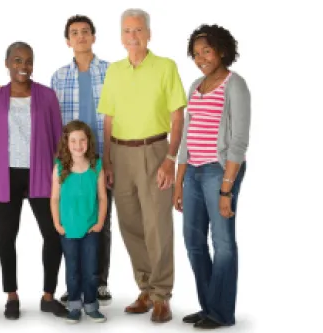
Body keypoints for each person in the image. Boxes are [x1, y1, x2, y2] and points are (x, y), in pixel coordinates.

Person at [97, 8, 187, 323]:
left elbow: (178, 116)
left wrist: (170, 159)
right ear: (121, 36)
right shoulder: (115, 71)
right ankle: (146, 288)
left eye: (138, 30)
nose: (132, 36)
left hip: (155, 150)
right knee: (130, 224)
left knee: (157, 226)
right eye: (127, 31)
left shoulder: (166, 67)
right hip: (120, 154)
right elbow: (107, 117)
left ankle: (162, 295)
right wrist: (107, 159)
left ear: (148, 34)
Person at [174, 24, 250, 330]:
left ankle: (222, 313)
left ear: (222, 50)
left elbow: (239, 141)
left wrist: (225, 190)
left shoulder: (235, 85)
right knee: (193, 242)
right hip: (192, 171)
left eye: (206, 50)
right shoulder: (195, 86)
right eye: (196, 53)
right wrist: (179, 182)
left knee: (223, 243)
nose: (201, 57)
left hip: (220, 172)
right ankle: (209, 307)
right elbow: (186, 138)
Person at [0, 41, 68, 320]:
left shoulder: (47, 96)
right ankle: (11, 295)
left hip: (41, 173)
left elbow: (59, 138)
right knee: (7, 238)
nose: (23, 66)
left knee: (54, 233)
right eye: (18, 60)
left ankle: (48, 295)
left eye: (28, 61)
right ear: (7, 63)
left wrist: (60, 174)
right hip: (7, 175)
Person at [50, 14, 113, 306]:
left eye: (85, 31)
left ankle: (99, 282)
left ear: (94, 37)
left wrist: (110, 160)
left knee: (102, 218)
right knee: (72, 219)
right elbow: (50, 117)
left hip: (101, 157)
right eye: (74, 33)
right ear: (67, 41)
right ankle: (74, 283)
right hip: (72, 160)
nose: (80, 36)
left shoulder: (111, 72)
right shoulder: (59, 77)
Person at [50, 120, 108, 324]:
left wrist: (100, 222)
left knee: (92, 270)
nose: (77, 145)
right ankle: (74, 304)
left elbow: (102, 197)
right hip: (68, 229)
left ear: (88, 142)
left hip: (91, 228)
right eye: (73, 140)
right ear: (66, 143)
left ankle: (91, 305)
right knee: (73, 270)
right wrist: (57, 223)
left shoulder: (96, 165)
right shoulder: (59, 168)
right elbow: (55, 198)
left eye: (82, 140)